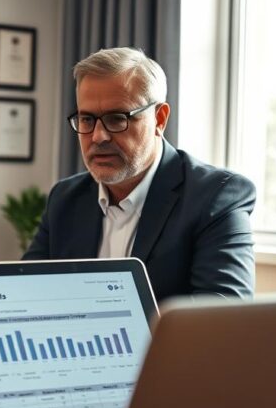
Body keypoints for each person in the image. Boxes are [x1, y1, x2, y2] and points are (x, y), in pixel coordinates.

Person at [24, 47, 255, 301]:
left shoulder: (216, 197)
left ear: (159, 118)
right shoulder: (66, 198)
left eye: (116, 118)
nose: (98, 136)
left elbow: (220, 316)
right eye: (87, 120)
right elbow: (25, 293)